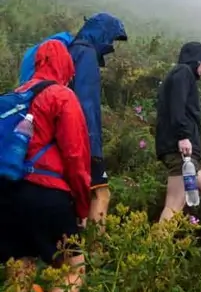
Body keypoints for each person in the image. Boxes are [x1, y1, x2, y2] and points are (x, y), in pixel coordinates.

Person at [0, 40, 91, 292]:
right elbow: (76, 156)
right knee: (75, 269)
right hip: (47, 195)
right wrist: (82, 208)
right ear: (64, 65)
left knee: (21, 270)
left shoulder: (13, 96)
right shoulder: (62, 96)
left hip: (9, 193)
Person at [18, 13, 127, 227]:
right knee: (100, 195)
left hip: (52, 139)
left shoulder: (70, 51)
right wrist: (94, 149)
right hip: (80, 138)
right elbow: (86, 103)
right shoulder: (86, 52)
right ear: (102, 33)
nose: (111, 45)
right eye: (112, 39)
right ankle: (94, 251)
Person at [155, 42, 201, 232]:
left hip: (187, 152)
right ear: (198, 60)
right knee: (174, 204)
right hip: (181, 150)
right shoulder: (183, 72)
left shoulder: (182, 76)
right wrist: (183, 136)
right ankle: (152, 253)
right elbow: (177, 107)